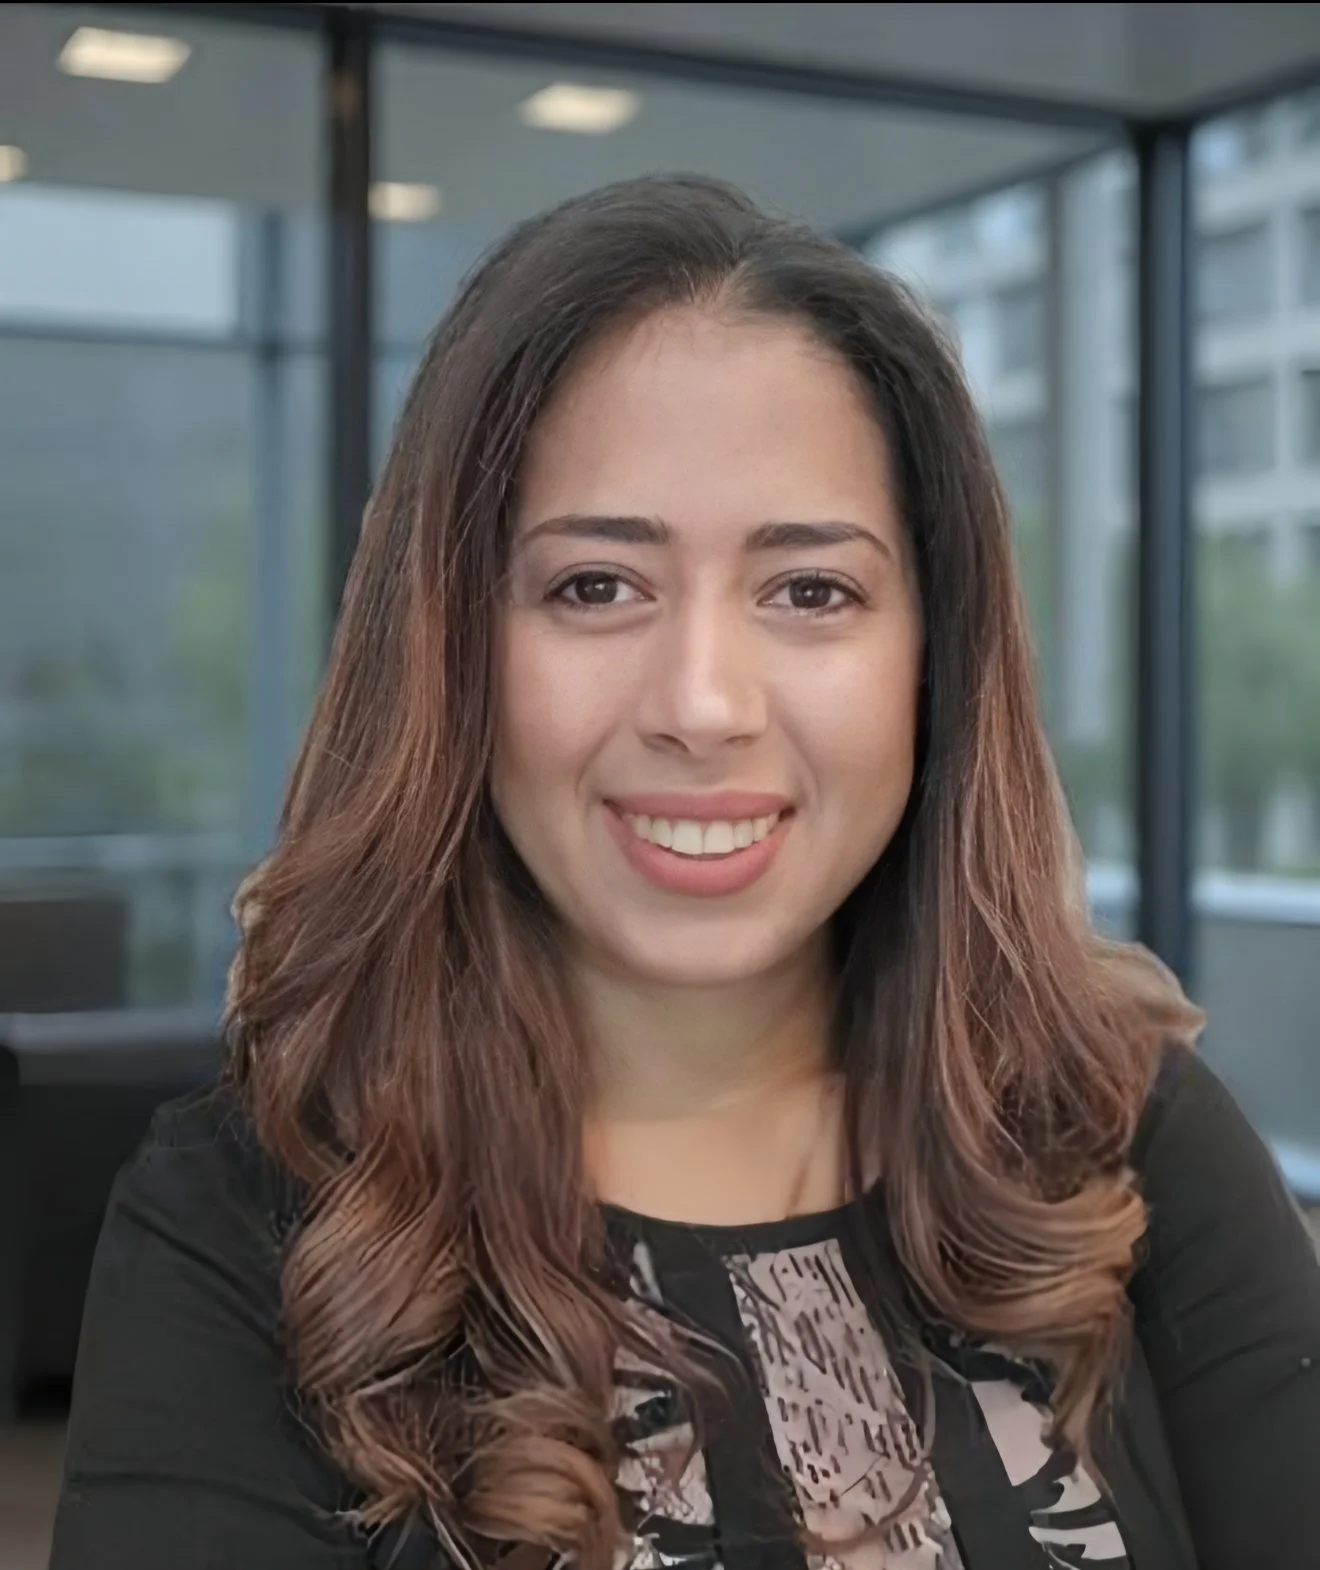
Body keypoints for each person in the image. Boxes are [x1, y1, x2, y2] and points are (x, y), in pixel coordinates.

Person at [50, 175, 1320, 1570]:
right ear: (455, 651)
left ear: (930, 665)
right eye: (596, 585)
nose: (703, 703)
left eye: (810, 591)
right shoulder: (247, 1224)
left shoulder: (1121, 1141)